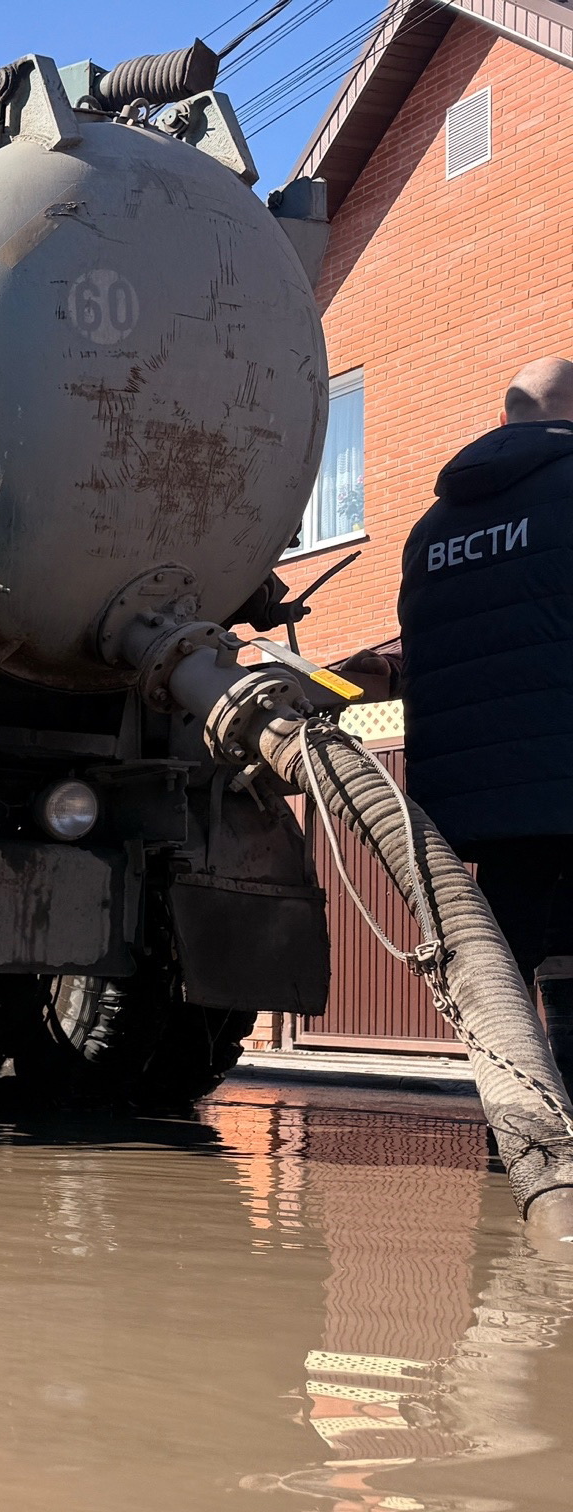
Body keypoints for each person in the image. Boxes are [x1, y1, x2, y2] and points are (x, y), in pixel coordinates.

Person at [341, 355, 573, 1078]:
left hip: (482, 803)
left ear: (503, 422)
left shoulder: (429, 528)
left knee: (514, 967)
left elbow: (444, 654)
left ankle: (518, 1146)